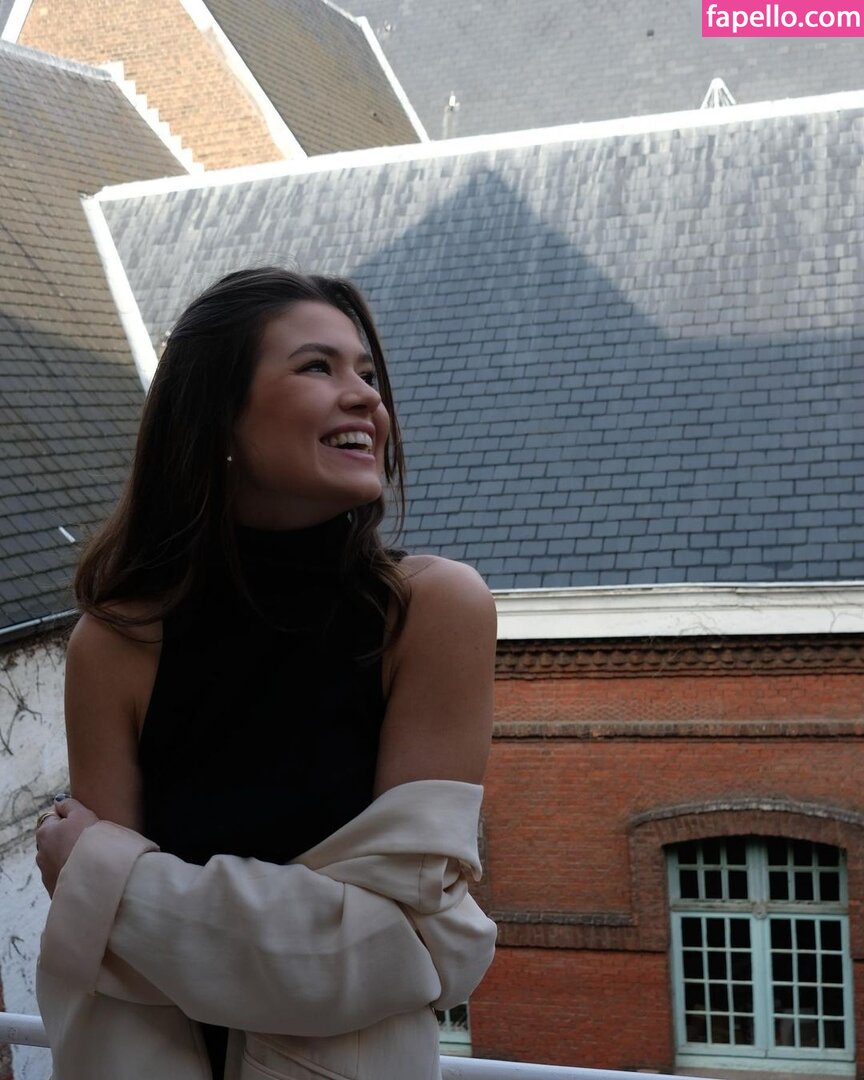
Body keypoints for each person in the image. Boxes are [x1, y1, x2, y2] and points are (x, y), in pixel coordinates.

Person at [33, 268, 497, 1080]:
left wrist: (113, 883)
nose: (366, 397)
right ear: (218, 413)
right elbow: (117, 978)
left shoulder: (430, 610)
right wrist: (131, 912)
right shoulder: (116, 642)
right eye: (318, 366)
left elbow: (410, 947)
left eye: (368, 373)